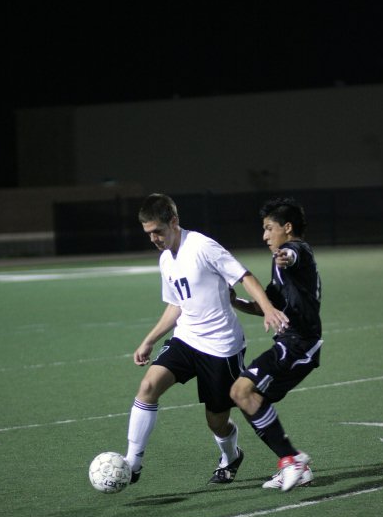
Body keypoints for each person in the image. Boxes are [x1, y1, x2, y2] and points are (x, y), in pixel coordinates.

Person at [124, 193, 289, 486]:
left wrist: (267, 309)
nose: (154, 239)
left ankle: (231, 456)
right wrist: (149, 340)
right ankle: (132, 463)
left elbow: (244, 276)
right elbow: (177, 304)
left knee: (216, 420)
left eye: (158, 231)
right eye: (148, 234)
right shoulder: (165, 260)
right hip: (186, 339)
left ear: (173, 222)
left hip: (221, 347)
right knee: (148, 385)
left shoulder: (202, 246)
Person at [229, 196, 322, 491]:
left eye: (269, 228)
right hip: (291, 342)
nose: (265, 235)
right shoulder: (278, 261)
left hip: (299, 344)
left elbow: (293, 255)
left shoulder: (296, 251)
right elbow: (267, 304)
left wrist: (286, 257)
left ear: (288, 227)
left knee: (241, 391)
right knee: (251, 399)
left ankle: (290, 459)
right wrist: (238, 302)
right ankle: (296, 465)